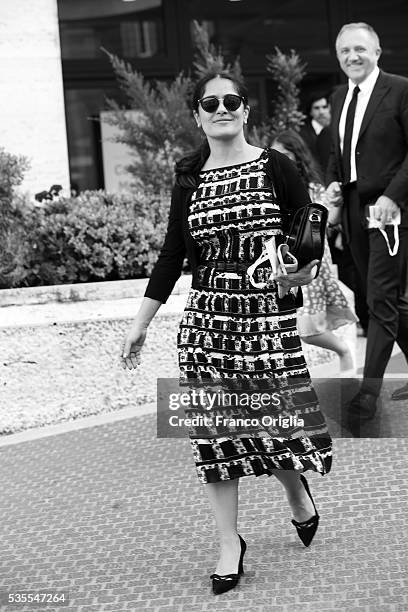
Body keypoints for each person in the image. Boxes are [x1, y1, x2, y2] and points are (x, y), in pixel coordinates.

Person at [121, 70, 332, 595]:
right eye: (210, 102)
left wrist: (303, 270)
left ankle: (297, 494)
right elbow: (172, 254)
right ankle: (228, 544)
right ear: (196, 114)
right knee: (214, 435)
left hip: (265, 314)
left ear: (244, 110)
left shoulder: (277, 166)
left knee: (271, 422)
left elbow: (309, 240)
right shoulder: (188, 178)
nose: (222, 108)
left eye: (231, 100)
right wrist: (141, 324)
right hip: (206, 316)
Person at [326, 22, 408, 422]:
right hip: (356, 208)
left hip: (390, 208)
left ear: (377, 51)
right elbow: (338, 152)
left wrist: (394, 197)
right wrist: (333, 186)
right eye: (344, 51)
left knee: (379, 299)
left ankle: (367, 395)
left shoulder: (400, 88)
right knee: (388, 298)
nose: (351, 57)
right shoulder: (340, 96)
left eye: (359, 49)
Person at [272, 129, 357, 373]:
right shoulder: (270, 189)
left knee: (307, 329)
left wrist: (338, 201)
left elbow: (331, 220)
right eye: (275, 155)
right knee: (292, 328)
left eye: (285, 154)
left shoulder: (312, 188)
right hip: (282, 262)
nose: (279, 160)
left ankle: (343, 351)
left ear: (297, 157)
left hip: (311, 261)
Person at [300, 92, 331, 170]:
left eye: (324, 107)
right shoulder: (303, 134)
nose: (321, 112)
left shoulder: (336, 128)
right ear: (310, 112)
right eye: (316, 108)